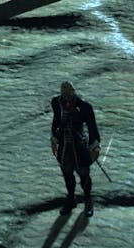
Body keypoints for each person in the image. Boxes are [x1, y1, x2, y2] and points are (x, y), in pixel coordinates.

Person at [50, 81, 101, 216]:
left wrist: (94, 146)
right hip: (64, 145)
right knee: (67, 172)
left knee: (84, 173)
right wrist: (54, 137)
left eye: (69, 90)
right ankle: (71, 199)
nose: (66, 94)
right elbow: (56, 121)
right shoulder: (56, 103)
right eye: (63, 90)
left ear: (73, 91)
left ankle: (88, 200)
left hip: (79, 145)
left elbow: (92, 127)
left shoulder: (84, 106)